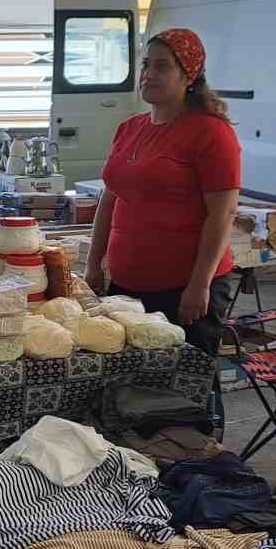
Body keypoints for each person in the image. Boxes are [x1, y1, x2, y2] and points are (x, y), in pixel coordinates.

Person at [84, 28, 242, 355]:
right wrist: (93, 262)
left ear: (189, 76)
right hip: (126, 286)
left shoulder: (211, 132)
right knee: (130, 378)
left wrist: (199, 285)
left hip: (182, 288)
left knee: (184, 379)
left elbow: (222, 213)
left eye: (162, 66)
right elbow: (110, 198)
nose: (148, 74)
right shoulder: (130, 128)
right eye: (146, 64)